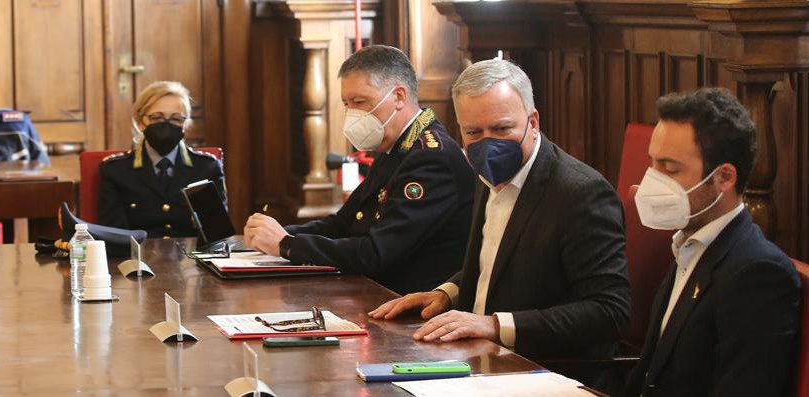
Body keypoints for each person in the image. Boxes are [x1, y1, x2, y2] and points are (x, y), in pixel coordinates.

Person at [368, 59, 630, 362]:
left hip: (544, 368)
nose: (487, 144)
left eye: (502, 128)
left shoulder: (581, 193)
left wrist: (494, 324)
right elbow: (496, 261)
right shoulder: (485, 174)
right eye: (474, 133)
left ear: (533, 122)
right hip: (476, 356)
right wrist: (446, 293)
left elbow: (610, 312)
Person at [243, 45, 475, 294]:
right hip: (373, 292)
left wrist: (287, 245)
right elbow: (343, 223)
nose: (352, 112)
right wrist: (276, 235)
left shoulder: (430, 158)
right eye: (347, 103)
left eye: (360, 102)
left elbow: (377, 253)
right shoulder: (396, 146)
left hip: (408, 306)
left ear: (398, 96)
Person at [622, 88, 800, 396]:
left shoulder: (757, 273)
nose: (652, 179)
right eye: (652, 163)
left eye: (670, 168)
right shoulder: (688, 245)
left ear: (725, 177)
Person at [98, 81, 225, 239]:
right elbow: (113, 235)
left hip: (191, 259)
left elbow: (215, 235)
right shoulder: (116, 170)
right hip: (138, 260)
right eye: (157, 118)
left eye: (176, 119)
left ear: (185, 124)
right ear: (140, 121)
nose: (166, 125)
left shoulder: (206, 168)